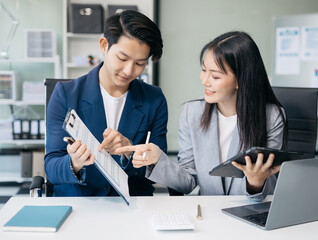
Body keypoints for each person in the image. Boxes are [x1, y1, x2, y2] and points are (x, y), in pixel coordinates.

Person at [116, 31, 287, 201]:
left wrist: (255, 183)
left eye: (215, 76)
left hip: (252, 211)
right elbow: (188, 182)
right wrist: (157, 160)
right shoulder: (193, 113)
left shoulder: (272, 117)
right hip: (208, 214)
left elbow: (269, 185)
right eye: (204, 70)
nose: (205, 80)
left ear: (240, 80)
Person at [45, 10, 167, 197]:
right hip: (80, 202)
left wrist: (129, 152)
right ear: (104, 46)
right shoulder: (65, 94)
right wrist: (74, 162)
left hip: (133, 205)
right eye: (122, 58)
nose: (129, 70)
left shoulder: (154, 99)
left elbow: (159, 168)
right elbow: (51, 167)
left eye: (140, 63)